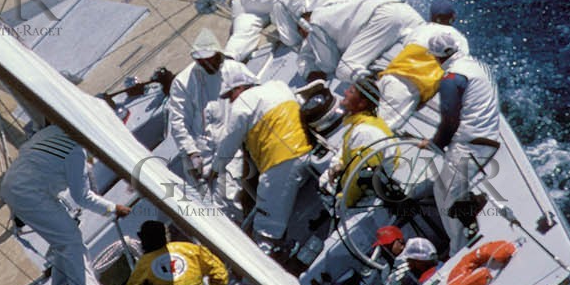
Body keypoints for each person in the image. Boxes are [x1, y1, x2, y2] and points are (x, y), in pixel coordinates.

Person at [1, 123, 131, 285]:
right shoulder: (75, 152)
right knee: (71, 240)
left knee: (63, 236)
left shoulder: (51, 131)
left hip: (12, 185)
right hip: (30, 195)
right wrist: (113, 208)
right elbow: (82, 197)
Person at [204, 66, 314, 248]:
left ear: (239, 88)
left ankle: (265, 264)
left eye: (229, 96)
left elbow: (228, 145)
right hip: (306, 150)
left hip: (280, 163)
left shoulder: (242, 104)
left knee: (265, 228)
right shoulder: (279, 86)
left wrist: (214, 170)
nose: (230, 102)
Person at [418, 54, 502, 249]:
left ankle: (460, 245)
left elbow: (449, 124)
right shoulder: (475, 66)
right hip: (483, 135)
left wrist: (433, 144)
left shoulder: (451, 79)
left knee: (444, 191)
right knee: (444, 186)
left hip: (473, 144)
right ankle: (468, 203)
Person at [167, 29, 254, 188]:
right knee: (219, 198)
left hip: (239, 139)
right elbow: (178, 122)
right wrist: (191, 152)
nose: (207, 64)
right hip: (205, 151)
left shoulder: (234, 69)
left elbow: (257, 93)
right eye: (202, 61)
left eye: (211, 59)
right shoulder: (183, 81)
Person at [296, 0, 424, 87]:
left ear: (304, 25)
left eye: (304, 35)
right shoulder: (334, 7)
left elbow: (330, 65)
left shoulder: (314, 24)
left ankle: (378, 87)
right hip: (401, 8)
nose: (307, 40)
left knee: (345, 69)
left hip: (381, 19)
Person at [376, 24, 468, 131]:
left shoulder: (422, 28)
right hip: (407, 90)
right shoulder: (460, 48)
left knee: (363, 119)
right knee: (381, 130)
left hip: (388, 76)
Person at [330, 83, 400, 207]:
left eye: (351, 92)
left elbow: (358, 178)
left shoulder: (363, 133)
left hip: (372, 196)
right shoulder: (367, 122)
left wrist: (344, 201)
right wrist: (340, 165)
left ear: (362, 103)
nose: (345, 92)